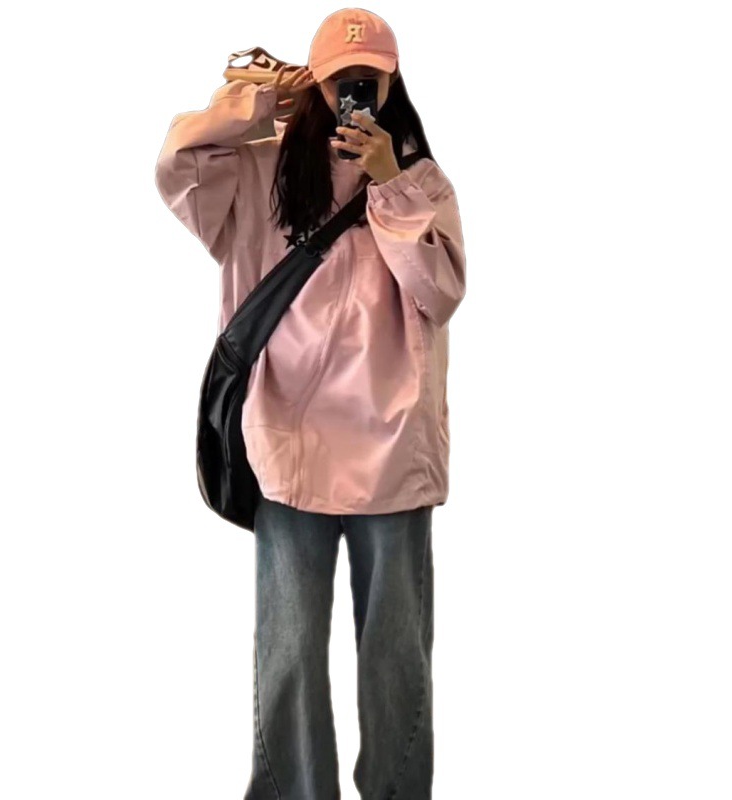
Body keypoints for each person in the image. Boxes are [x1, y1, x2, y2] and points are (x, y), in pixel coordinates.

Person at [154, 8, 466, 799]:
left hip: (393, 450)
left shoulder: (421, 181)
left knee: (395, 656)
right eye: (339, 80)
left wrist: (392, 184)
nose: (356, 92)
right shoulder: (258, 171)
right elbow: (177, 164)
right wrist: (256, 102)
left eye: (370, 80)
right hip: (289, 439)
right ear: (314, 82)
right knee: (289, 648)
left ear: (394, 83)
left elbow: (438, 293)